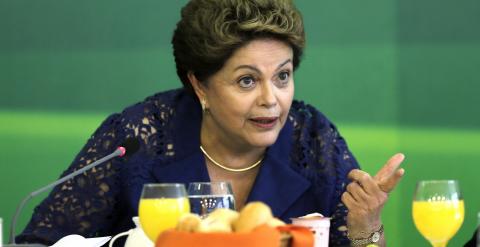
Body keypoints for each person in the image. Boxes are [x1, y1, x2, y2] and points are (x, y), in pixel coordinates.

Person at [16, 0, 404, 246]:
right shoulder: (139, 136)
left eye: (282, 76)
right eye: (247, 80)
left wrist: (364, 226)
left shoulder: (313, 138)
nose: (271, 99)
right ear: (199, 85)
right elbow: (38, 242)